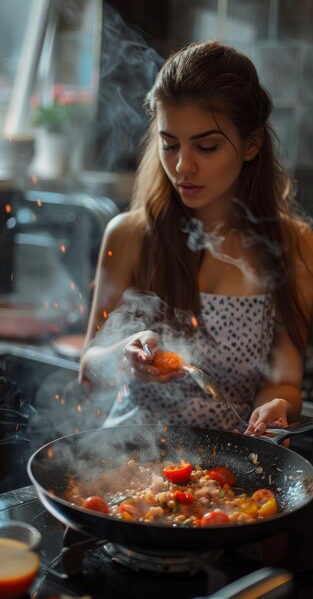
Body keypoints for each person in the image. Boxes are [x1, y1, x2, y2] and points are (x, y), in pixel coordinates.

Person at [80, 39, 313, 436]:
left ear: (251, 143)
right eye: (169, 144)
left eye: (207, 146)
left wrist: (278, 406)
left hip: (227, 467)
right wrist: (124, 355)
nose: (183, 166)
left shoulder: (294, 245)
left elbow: (284, 380)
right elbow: (88, 369)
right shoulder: (132, 235)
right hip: (125, 459)